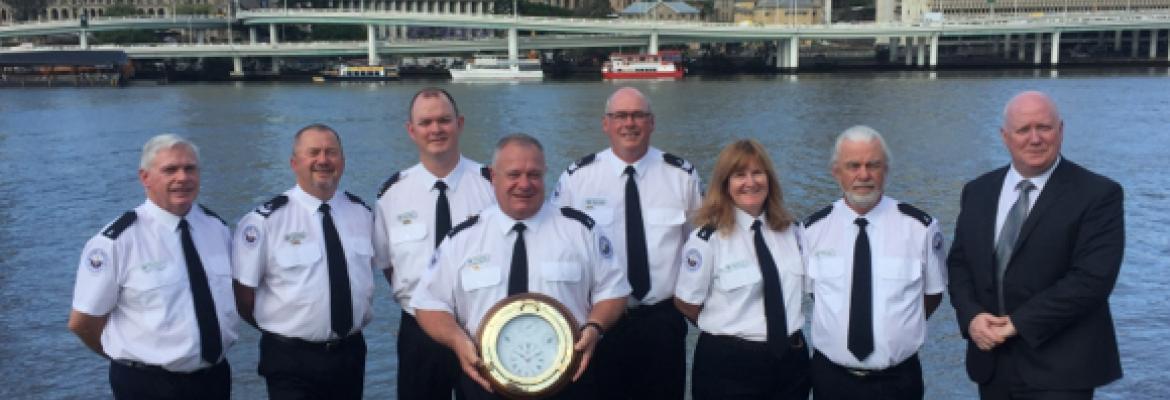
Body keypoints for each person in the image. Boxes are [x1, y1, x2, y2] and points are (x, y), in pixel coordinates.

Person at [412, 134, 630, 400]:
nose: (524, 184)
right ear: (494, 176)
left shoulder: (581, 231)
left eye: (534, 174)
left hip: (569, 382)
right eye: (514, 174)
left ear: (545, 174)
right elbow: (429, 304)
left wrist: (595, 327)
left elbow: (613, 290)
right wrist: (457, 341)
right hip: (485, 382)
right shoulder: (463, 238)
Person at [947, 91, 1124, 399]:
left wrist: (1017, 323)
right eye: (1023, 130)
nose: (1035, 138)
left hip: (1063, 368)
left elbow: (1092, 280)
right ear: (1005, 136)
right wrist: (972, 317)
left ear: (1061, 130)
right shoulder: (978, 191)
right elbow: (959, 264)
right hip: (991, 363)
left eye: (1044, 127)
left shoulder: (1098, 194)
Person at [552, 87, 701, 400]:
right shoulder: (578, 179)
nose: (629, 123)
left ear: (652, 123)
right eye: (620, 116)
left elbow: (699, 247)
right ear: (606, 124)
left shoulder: (681, 176)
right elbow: (559, 247)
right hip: (600, 324)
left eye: (638, 115)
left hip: (662, 320)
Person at [68, 134, 238, 399]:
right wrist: (126, 355)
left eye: (190, 168)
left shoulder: (216, 228)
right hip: (147, 384)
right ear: (145, 177)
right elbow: (83, 322)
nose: (182, 177)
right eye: (170, 170)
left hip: (214, 378)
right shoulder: (117, 242)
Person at [231, 124, 375, 400]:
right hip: (290, 359)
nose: (323, 160)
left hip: (350, 353)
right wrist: (285, 326)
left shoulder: (361, 214)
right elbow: (243, 296)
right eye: (314, 153)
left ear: (342, 162)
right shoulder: (265, 222)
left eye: (331, 152)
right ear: (294, 163)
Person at [803, 126, 946, 400]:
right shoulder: (811, 231)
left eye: (873, 165)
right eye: (853, 166)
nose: (864, 175)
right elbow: (814, 294)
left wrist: (893, 330)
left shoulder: (920, 229)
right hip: (832, 379)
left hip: (897, 380)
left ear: (886, 170)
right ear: (836, 172)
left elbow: (932, 295)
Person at [374, 87, 494, 400]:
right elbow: (388, 265)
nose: (436, 129)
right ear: (411, 131)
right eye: (425, 123)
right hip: (419, 331)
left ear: (460, 124)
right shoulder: (392, 195)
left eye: (444, 120)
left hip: (481, 327)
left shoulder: (492, 186)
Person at [674, 139, 811, 400]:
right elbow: (686, 302)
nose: (750, 182)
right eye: (739, 175)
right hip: (729, 366)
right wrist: (729, 326)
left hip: (791, 362)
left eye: (758, 173)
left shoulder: (792, 232)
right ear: (725, 184)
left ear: (769, 180)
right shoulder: (707, 240)